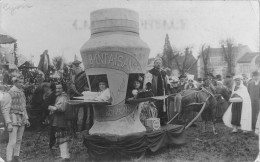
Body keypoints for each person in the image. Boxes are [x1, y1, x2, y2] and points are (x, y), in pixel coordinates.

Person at [3, 76, 30, 162]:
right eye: (19, 82)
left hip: (21, 118)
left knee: (19, 139)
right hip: (13, 118)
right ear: (15, 82)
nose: (21, 84)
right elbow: (5, 109)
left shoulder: (22, 93)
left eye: (22, 82)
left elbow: (23, 107)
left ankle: (16, 156)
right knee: (12, 140)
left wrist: (26, 118)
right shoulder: (9, 93)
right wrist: (8, 122)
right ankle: (9, 159)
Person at [144, 57, 170, 125]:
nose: (158, 64)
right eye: (157, 63)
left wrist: (169, 87)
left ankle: (163, 121)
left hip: (163, 92)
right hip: (155, 92)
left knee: (163, 107)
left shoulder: (163, 72)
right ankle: (156, 122)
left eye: (160, 63)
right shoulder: (151, 72)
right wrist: (149, 88)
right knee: (156, 106)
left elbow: (168, 81)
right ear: (154, 64)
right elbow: (148, 81)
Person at [48, 84, 71, 161]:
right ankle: (63, 155)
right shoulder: (59, 96)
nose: (57, 90)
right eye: (56, 88)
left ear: (63, 89)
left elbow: (62, 108)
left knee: (63, 137)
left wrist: (51, 107)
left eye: (59, 88)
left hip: (62, 121)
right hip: (58, 120)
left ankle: (65, 156)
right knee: (60, 137)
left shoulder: (64, 97)